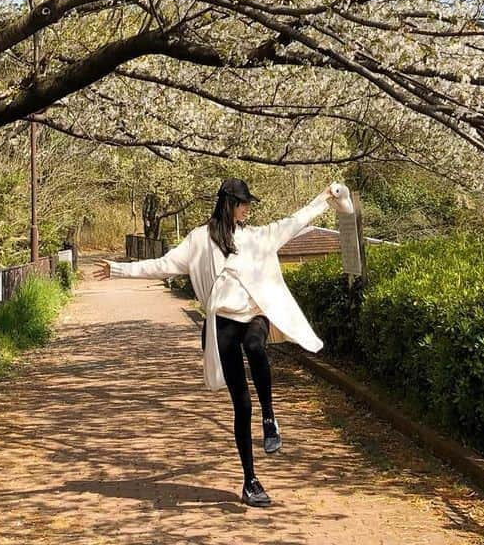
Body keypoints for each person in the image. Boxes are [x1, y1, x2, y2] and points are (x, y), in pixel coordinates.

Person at [94, 178, 344, 506]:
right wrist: (117, 270)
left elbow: (295, 221)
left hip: (254, 316)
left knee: (256, 346)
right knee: (241, 404)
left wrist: (324, 196)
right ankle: (250, 480)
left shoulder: (257, 237)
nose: (248, 208)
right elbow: (161, 266)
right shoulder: (198, 241)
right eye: (243, 203)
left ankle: (270, 417)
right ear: (229, 203)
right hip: (223, 323)